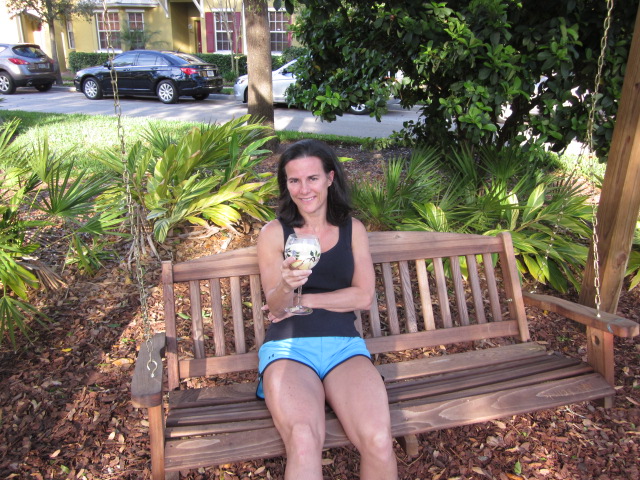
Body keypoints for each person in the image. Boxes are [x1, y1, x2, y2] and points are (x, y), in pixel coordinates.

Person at [256, 139, 398, 480]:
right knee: (304, 440)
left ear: (330, 178)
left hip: (344, 347)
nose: (304, 189)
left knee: (379, 440)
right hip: (289, 349)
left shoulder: (353, 230)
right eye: (294, 180)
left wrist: (303, 301)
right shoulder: (274, 234)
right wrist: (285, 286)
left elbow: (363, 296)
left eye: (312, 178)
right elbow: (275, 307)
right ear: (286, 185)